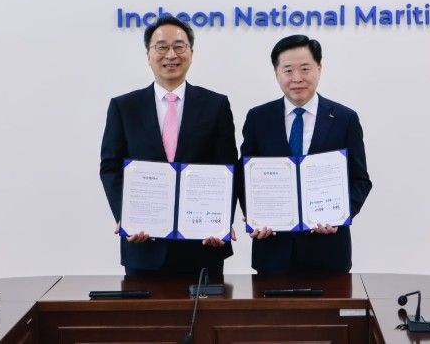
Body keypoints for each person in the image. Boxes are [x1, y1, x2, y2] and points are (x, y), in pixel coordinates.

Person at [100, 16, 238, 277]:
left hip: (203, 245)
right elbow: (110, 167)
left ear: (191, 53)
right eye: (162, 47)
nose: (171, 55)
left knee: (208, 306)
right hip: (144, 245)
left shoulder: (216, 105)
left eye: (179, 46)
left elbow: (228, 168)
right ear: (148, 55)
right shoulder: (124, 107)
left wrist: (221, 222)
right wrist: (126, 217)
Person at [239, 34, 372, 275]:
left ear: (319, 68)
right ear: (276, 73)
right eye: (288, 70)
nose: (297, 78)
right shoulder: (258, 118)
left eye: (305, 69)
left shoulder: (345, 119)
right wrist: (254, 217)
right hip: (272, 251)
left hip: (328, 252)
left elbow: (360, 180)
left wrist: (340, 215)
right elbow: (244, 176)